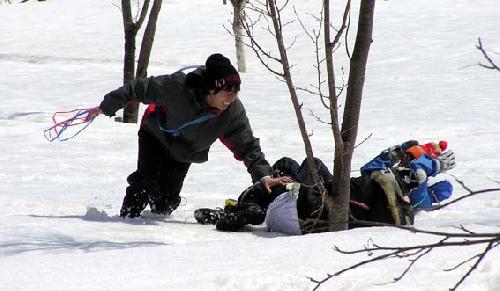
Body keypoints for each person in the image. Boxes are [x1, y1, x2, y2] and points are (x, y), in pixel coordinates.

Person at [94, 53, 282, 218]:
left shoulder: (232, 113)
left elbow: (247, 145)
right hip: (155, 137)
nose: (231, 98)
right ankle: (125, 222)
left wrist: (263, 176)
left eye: (236, 92)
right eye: (227, 92)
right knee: (144, 183)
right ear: (211, 89)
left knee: (164, 204)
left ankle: (157, 206)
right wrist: (108, 106)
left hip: (185, 151)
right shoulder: (177, 87)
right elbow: (139, 88)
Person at [194, 140, 456, 234]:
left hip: (298, 210)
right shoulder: (401, 204)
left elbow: (372, 169)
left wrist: (404, 154)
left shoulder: (380, 180)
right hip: (304, 212)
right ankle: (245, 205)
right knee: (304, 166)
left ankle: (243, 205)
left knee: (297, 164)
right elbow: (421, 195)